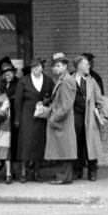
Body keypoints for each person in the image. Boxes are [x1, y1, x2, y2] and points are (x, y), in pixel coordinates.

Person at [12, 57, 53, 182]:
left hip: (41, 115)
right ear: (31, 69)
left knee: (39, 143)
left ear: (42, 68)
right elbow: (18, 101)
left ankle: (36, 171)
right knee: (26, 143)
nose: (36, 69)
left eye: (38, 67)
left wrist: (46, 102)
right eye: (34, 67)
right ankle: (23, 172)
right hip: (27, 115)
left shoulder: (47, 80)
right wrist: (17, 118)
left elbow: (52, 96)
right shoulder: (24, 81)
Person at [43, 54, 78, 184]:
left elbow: (66, 105)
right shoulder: (63, 80)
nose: (55, 69)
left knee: (64, 149)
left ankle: (64, 177)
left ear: (64, 67)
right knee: (63, 149)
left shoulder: (66, 81)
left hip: (62, 120)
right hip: (62, 120)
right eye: (54, 66)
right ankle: (64, 176)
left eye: (58, 66)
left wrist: (53, 118)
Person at [72, 54, 108, 181]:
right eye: (86, 64)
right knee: (77, 143)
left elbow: (100, 99)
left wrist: (103, 115)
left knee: (90, 144)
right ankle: (77, 169)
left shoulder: (92, 81)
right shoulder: (70, 79)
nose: (89, 66)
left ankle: (92, 170)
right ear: (79, 66)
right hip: (74, 116)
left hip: (89, 117)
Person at [0, 75, 14, 183]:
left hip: (4, 128)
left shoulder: (5, 100)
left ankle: (8, 173)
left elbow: (2, 114)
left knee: (5, 151)